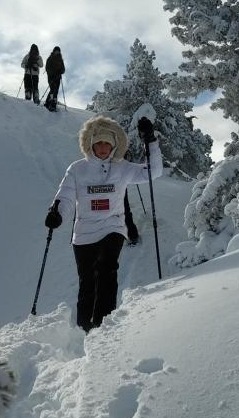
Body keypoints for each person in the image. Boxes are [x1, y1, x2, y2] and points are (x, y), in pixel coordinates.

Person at [44, 115, 162, 332]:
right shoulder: (77, 169)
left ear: (114, 145)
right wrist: (58, 214)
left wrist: (151, 141)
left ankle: (104, 326)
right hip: (84, 232)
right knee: (87, 282)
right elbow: (66, 196)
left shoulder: (123, 168)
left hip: (113, 227)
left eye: (107, 143)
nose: (103, 147)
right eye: (98, 143)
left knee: (107, 270)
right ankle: (84, 328)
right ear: (90, 144)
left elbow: (153, 172)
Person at [44, 46, 65, 112]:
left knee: (56, 90)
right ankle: (49, 103)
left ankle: (52, 104)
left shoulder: (60, 60)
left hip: (58, 77)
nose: (57, 52)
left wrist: (60, 71)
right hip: (51, 77)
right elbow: (47, 68)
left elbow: (63, 69)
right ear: (54, 51)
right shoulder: (50, 58)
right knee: (53, 89)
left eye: (58, 51)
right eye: (56, 51)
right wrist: (53, 73)